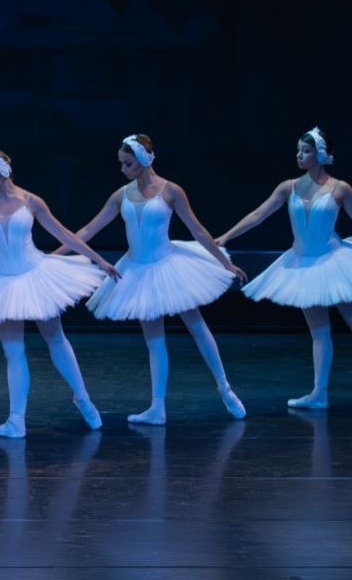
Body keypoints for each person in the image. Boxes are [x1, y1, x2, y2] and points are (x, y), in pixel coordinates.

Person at [215, 128, 352, 408]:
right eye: (298, 150)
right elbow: (258, 215)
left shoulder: (340, 189)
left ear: (321, 155)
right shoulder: (289, 187)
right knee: (318, 330)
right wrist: (226, 237)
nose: (299, 155)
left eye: (306, 151)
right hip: (302, 264)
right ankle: (319, 392)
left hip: (332, 261)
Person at [60, 134, 248, 424]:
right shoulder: (121, 195)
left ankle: (225, 388)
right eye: (122, 165)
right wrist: (55, 255)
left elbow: (197, 230)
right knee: (154, 340)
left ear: (144, 160)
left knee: (197, 326)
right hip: (137, 271)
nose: (123, 170)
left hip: (170, 265)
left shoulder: (171, 191)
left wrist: (225, 263)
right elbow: (87, 230)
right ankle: (157, 407)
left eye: (128, 164)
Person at [0, 149, 120, 438]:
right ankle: (16, 420)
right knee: (13, 352)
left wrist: (99, 259)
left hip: (35, 276)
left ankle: (82, 396)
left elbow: (64, 234)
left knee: (56, 339)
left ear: (4, 172)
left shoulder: (31, 201)